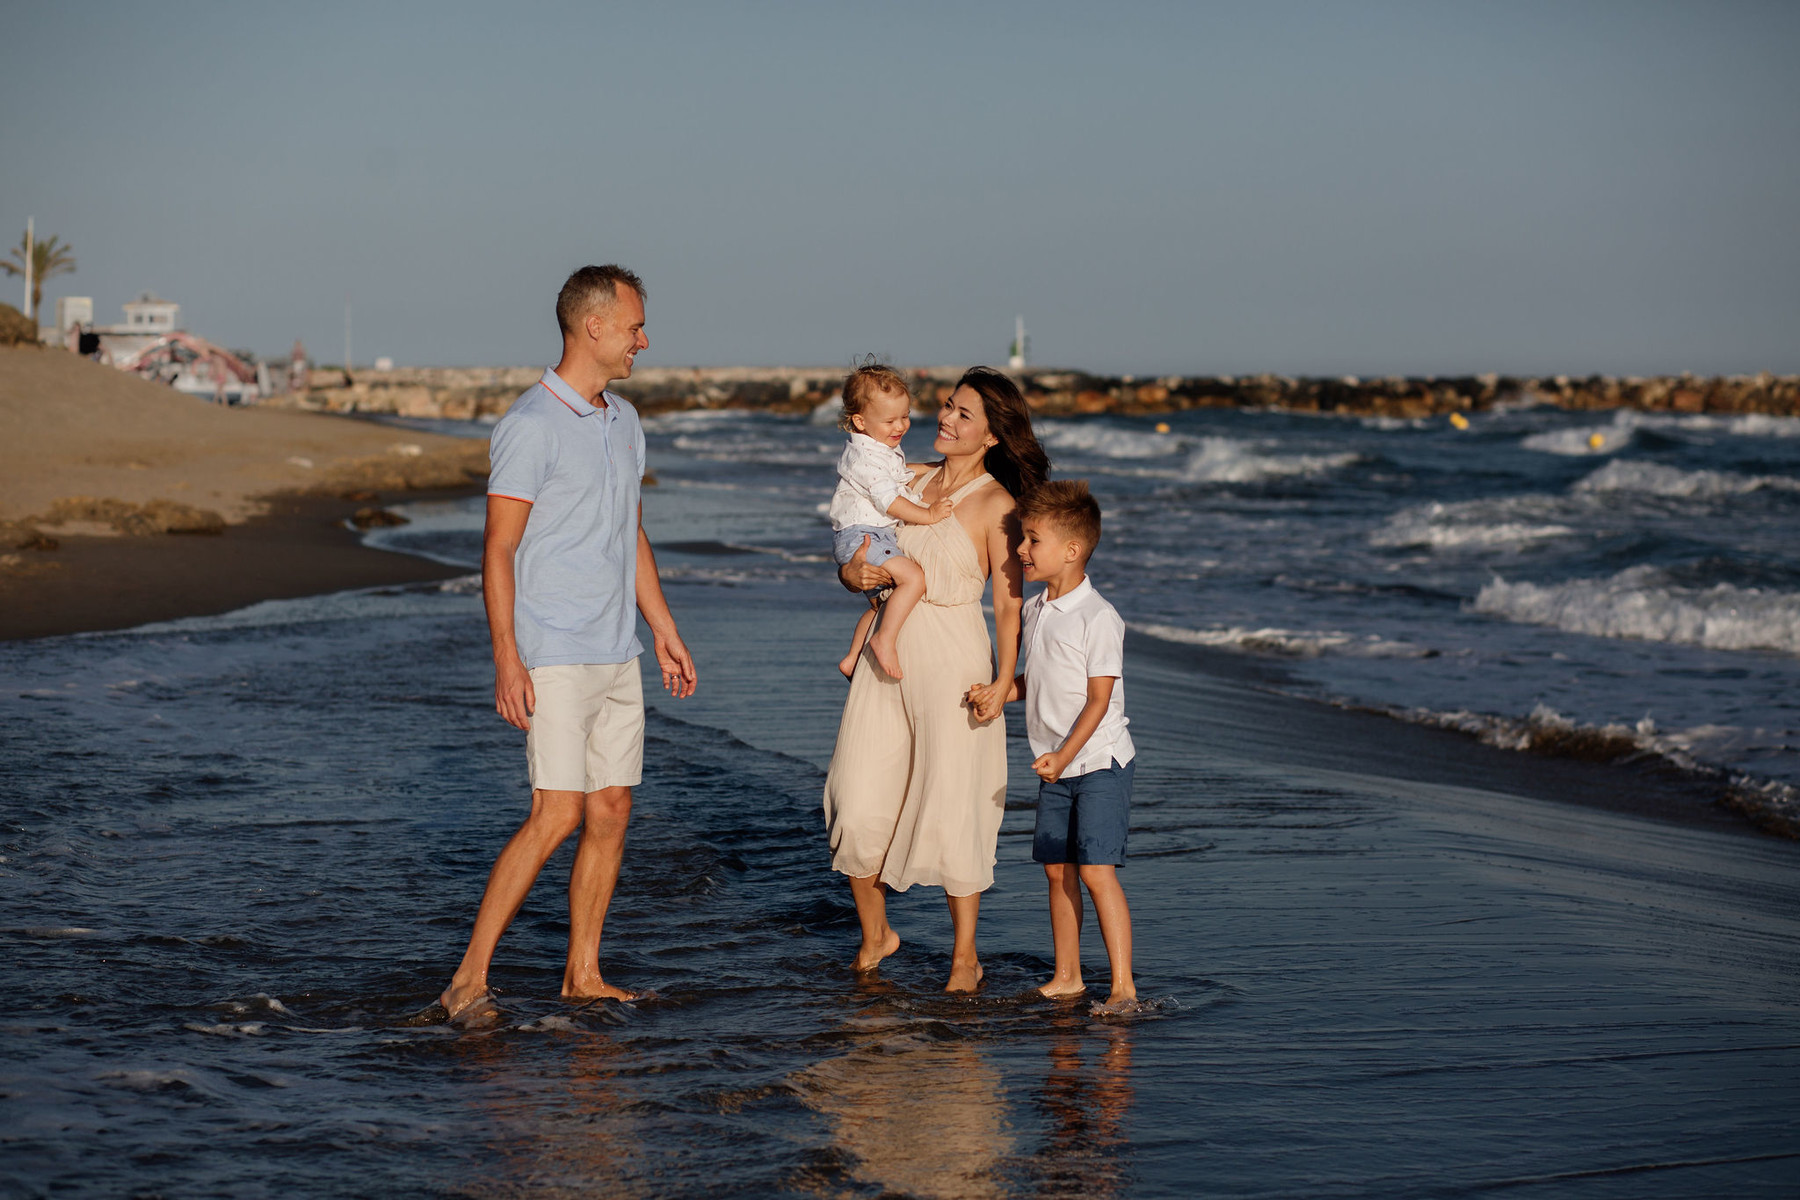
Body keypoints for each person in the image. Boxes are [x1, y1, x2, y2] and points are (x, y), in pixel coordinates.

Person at [439, 264, 697, 1024]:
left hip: (618, 648)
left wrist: (664, 627)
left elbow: (631, 531)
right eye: (633, 327)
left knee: (612, 808)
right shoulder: (528, 426)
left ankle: (582, 972)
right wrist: (506, 657)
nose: (642, 340)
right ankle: (467, 980)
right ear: (593, 327)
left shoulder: (625, 421)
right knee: (555, 813)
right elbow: (497, 550)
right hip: (552, 649)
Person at [824, 366, 1050, 992]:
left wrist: (1006, 680)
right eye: (948, 406)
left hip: (955, 663)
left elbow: (1008, 604)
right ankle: (878, 933)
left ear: (993, 436)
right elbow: (855, 546)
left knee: (955, 808)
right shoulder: (905, 478)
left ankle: (964, 957)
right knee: (857, 801)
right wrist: (853, 578)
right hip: (884, 659)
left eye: (963, 414)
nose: (946, 419)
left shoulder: (997, 505)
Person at [1001, 480, 1138, 1010]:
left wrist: (1063, 755)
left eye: (1032, 540)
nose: (1021, 550)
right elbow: (1038, 681)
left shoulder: (1098, 617)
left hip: (1099, 760)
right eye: (1022, 538)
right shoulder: (1036, 610)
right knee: (1057, 869)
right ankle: (1067, 975)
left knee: (1096, 870)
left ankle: (1123, 985)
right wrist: (997, 694)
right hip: (1056, 764)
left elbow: (1099, 700)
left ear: (1072, 550)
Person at [829, 361, 956, 679]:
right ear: (860, 421)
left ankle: (853, 657)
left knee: (878, 607)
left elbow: (897, 475)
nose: (900, 426)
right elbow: (890, 499)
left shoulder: (874, 447)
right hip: (865, 536)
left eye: (905, 416)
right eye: (890, 420)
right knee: (914, 579)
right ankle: (884, 640)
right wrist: (927, 515)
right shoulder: (866, 457)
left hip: (864, 534)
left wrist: (932, 467)